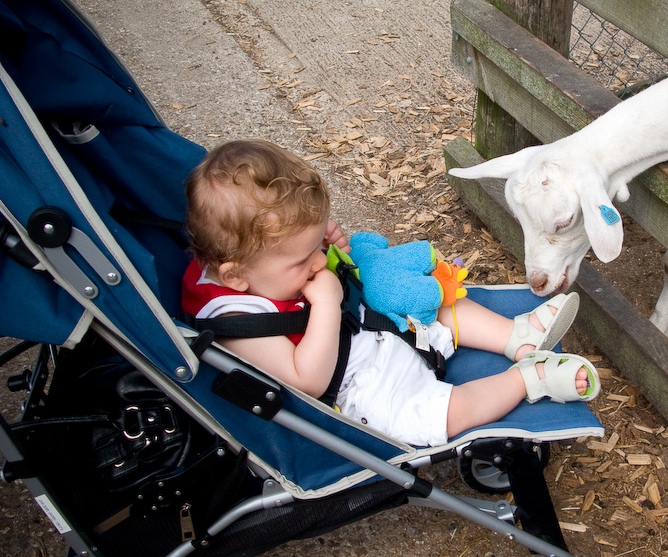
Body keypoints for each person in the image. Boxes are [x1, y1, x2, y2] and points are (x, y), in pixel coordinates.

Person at [182, 139, 600, 447]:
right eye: (301, 260)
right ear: (235, 276)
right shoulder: (237, 321)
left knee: (428, 303)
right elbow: (305, 381)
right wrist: (327, 302)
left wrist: (329, 250)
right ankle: (529, 378)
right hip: (362, 385)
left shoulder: (260, 263)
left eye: (317, 248)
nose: (317, 262)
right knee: (445, 413)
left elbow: (305, 260)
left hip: (365, 327)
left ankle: (514, 336)